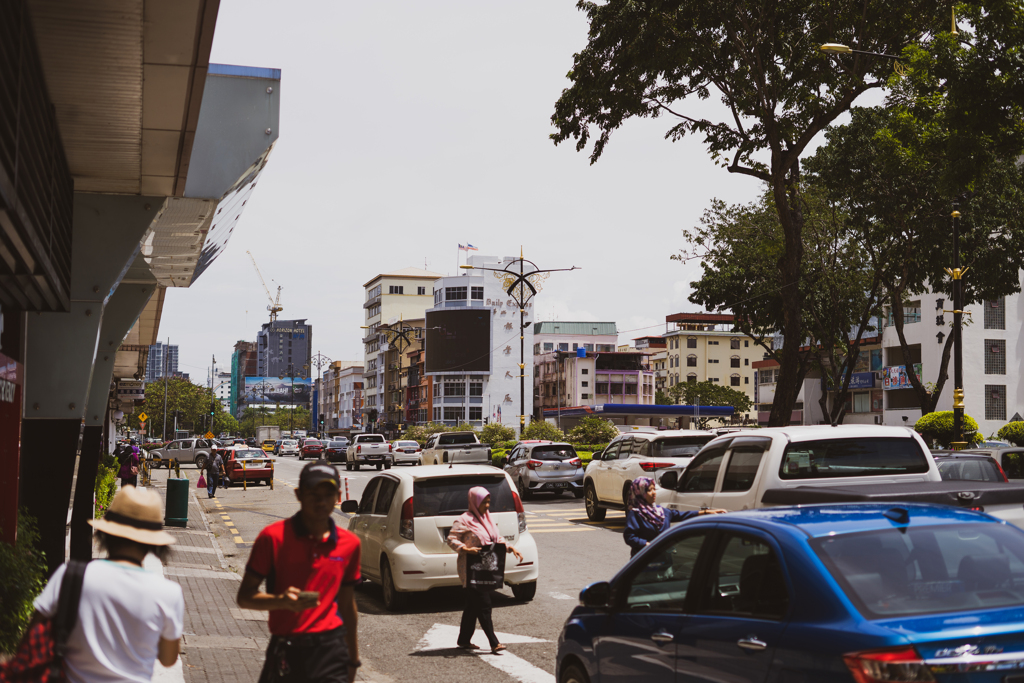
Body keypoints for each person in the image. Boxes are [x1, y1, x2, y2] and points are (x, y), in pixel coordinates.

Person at [31, 486, 183, 683]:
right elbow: (168, 659)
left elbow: (33, 635)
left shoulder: (70, 576)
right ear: (153, 544)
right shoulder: (168, 593)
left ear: (106, 534)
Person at [237, 460, 361, 683]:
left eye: (328, 493)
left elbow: (347, 604)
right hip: (287, 649)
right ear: (298, 494)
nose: (321, 501)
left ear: (338, 496)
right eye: (313, 493)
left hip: (331, 651)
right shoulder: (273, 538)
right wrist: (281, 601)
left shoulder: (349, 543)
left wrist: (353, 660)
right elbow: (245, 597)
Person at [446, 486, 524, 654]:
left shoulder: (487, 519)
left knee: (472, 606)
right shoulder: (464, 520)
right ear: (475, 502)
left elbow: (497, 538)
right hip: (470, 569)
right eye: (484, 502)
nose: (487, 505)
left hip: (486, 568)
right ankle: (494, 642)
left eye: (489, 501)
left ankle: (464, 640)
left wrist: (510, 548)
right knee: (484, 604)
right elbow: (451, 539)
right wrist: (464, 549)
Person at [624, 477, 726, 557]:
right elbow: (629, 536)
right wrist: (645, 544)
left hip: (664, 560)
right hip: (644, 561)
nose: (654, 493)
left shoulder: (661, 511)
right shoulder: (636, 514)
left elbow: (683, 515)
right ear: (640, 493)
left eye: (654, 489)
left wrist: (707, 512)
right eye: (649, 490)